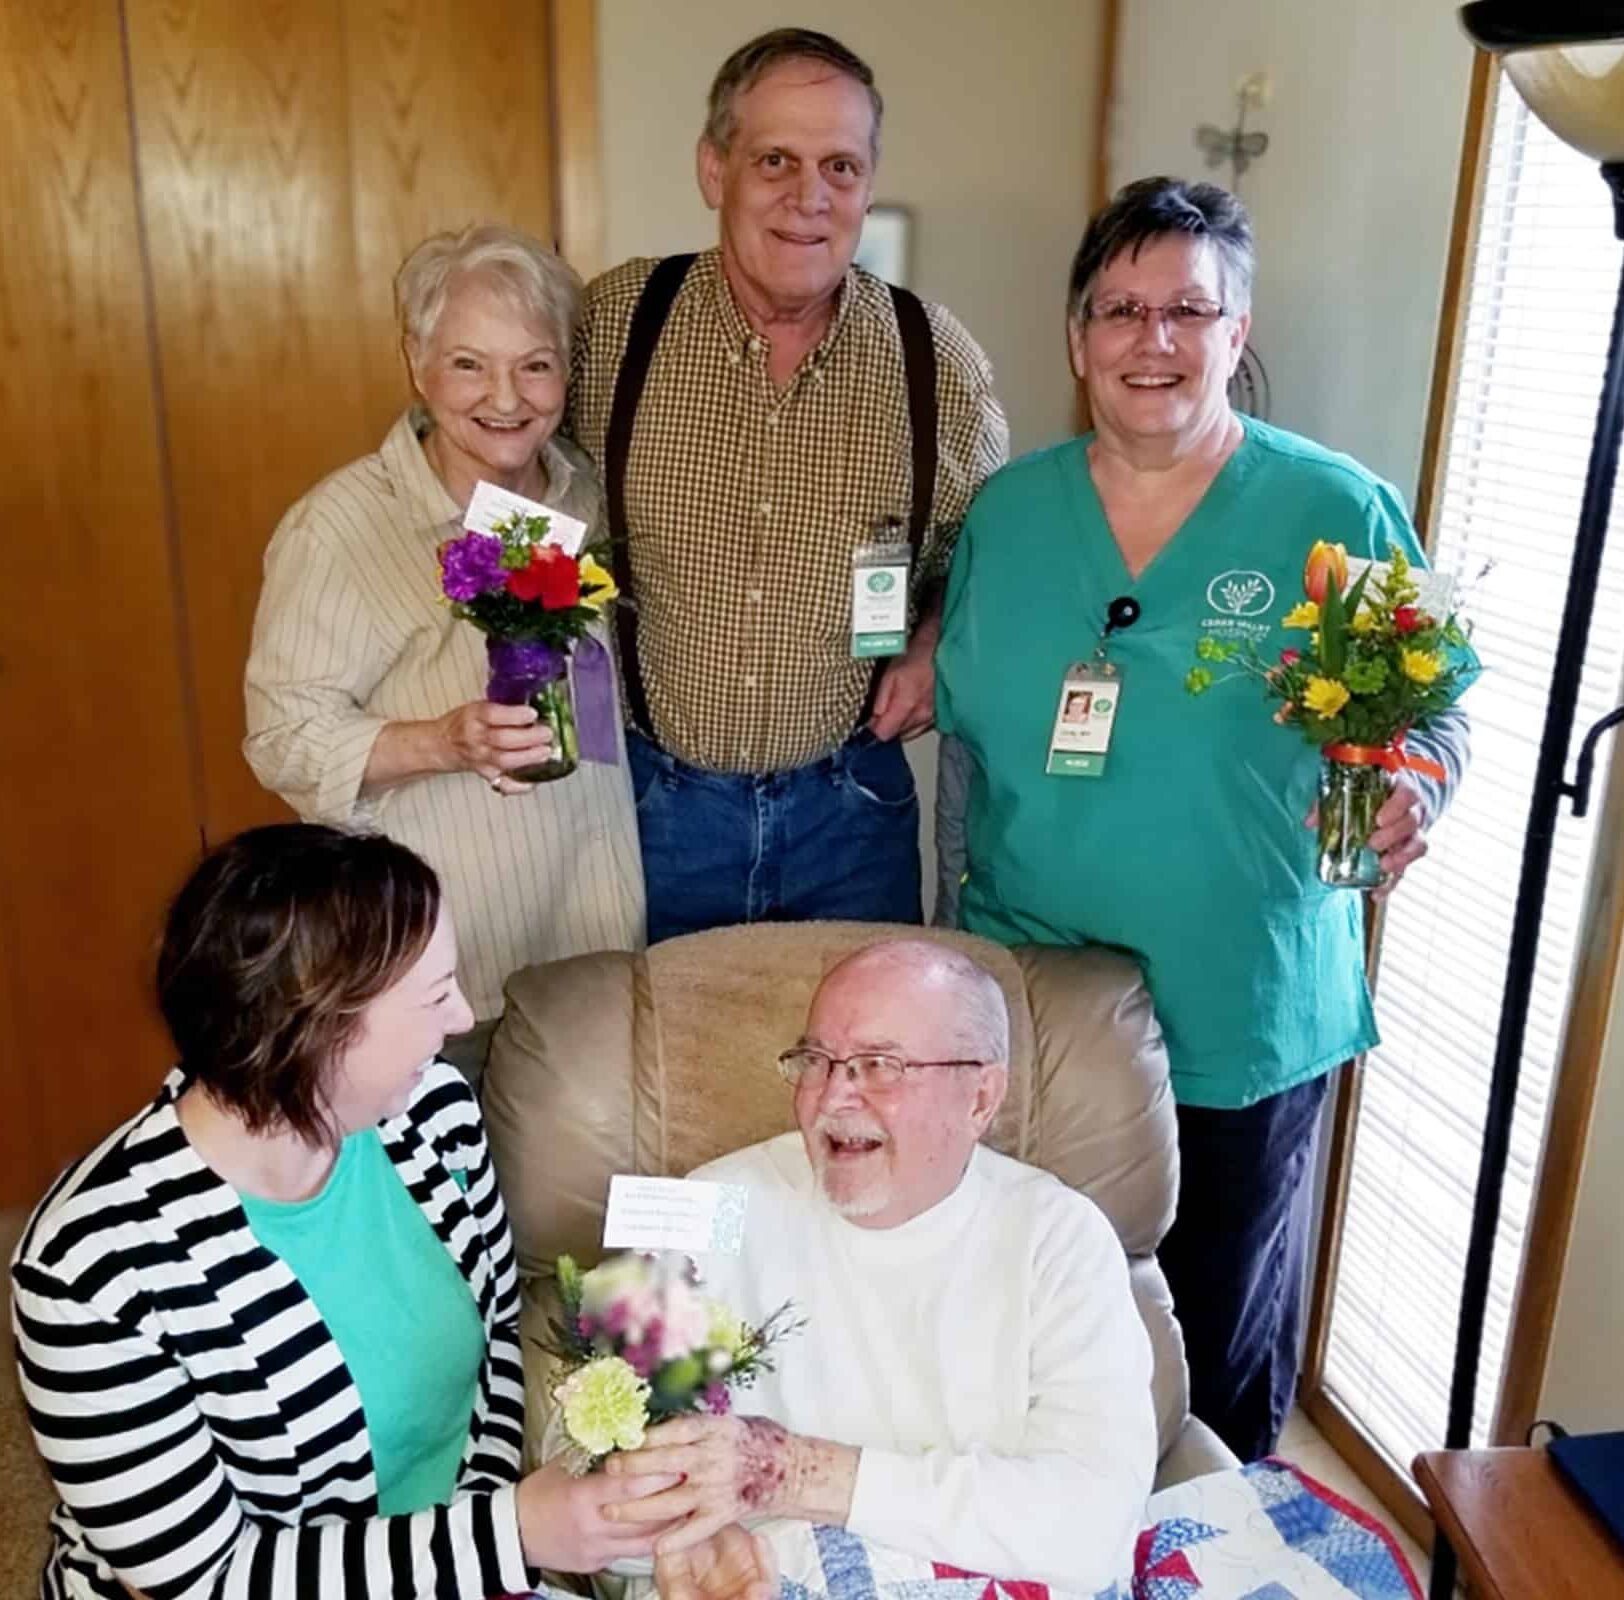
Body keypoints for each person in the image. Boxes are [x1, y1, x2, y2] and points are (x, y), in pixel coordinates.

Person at [932, 178, 1472, 1463]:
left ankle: (1214, 1549)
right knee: (1037, 1308)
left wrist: (1420, 784)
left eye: (1188, 307)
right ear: (1076, 339)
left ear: (1238, 333)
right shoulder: (1010, 512)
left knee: (1215, 1339)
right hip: (1039, 996)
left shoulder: (1332, 512)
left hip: (1240, 1009)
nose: (1152, 339)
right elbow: (959, 747)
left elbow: (1435, 708)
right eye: (1120, 308)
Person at [9, 824, 697, 1598]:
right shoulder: (93, 1269)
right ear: (315, 1032)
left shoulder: (431, 1116)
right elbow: (197, 1582)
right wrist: (508, 1534)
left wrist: (499, 1546)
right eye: (436, 994)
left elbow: (499, 1336)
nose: (464, 1018)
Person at [568, 28, 1008, 944]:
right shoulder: (610, 329)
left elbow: (991, 556)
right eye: (776, 159)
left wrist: (930, 638)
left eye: (841, 167)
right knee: (659, 1076)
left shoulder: (939, 365)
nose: (810, 197)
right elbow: (508, 485)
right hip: (651, 808)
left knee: (865, 1077)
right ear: (713, 168)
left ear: (869, 182)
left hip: (851, 814)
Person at [603, 939, 1157, 1594]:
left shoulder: (1060, 1237)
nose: (832, 1098)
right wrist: (699, 1535)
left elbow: (1095, 1525)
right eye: (817, 1061)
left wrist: (797, 1474)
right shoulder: (704, 1202)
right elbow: (590, 1464)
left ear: (981, 1097)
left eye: (878, 1065)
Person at [245, 224, 643, 1082]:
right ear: (416, 363)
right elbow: (284, 737)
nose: (507, 395)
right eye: (469, 364)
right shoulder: (342, 528)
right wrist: (446, 740)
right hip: (443, 981)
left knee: (587, 1207)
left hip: (598, 949)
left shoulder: (587, 495)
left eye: (536, 363)